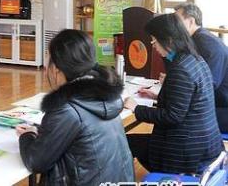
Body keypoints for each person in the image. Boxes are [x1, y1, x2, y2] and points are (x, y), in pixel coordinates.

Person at [17, 29, 134, 186]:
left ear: (57, 67)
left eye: (47, 56)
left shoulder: (66, 109)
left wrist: (28, 135)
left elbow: (36, 161)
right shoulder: (106, 94)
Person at [124, 13, 223, 174]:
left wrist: (136, 108)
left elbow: (173, 117)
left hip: (186, 150)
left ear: (169, 40)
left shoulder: (180, 69)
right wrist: (157, 97)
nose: (153, 45)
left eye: (154, 40)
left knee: (125, 142)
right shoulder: (194, 59)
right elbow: (190, 99)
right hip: (205, 143)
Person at [174, 2, 228, 133]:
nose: (174, 26)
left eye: (177, 21)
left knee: (177, 118)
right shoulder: (198, 39)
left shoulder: (207, 43)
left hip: (222, 107)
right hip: (215, 102)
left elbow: (209, 85)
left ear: (191, 21)